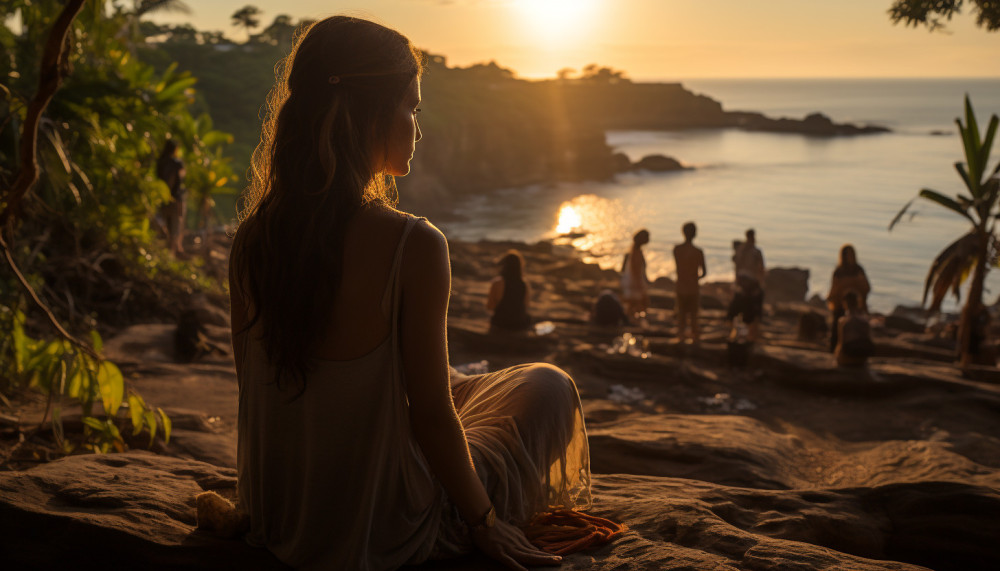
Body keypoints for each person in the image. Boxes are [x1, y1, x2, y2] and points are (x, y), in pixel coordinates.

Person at [228, 17, 591, 571]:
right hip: (380, 525)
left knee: (455, 381)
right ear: (371, 114)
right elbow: (430, 417)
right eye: (412, 108)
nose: (418, 129)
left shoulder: (253, 238)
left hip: (280, 514)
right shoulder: (413, 244)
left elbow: (253, 390)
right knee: (547, 383)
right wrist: (485, 523)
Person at [826, 244, 871, 352]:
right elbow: (834, 290)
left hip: (856, 305)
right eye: (848, 254)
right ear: (844, 256)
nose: (850, 257)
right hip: (840, 306)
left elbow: (866, 287)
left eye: (852, 254)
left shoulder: (859, 270)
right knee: (837, 332)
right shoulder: (839, 271)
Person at [673, 222, 707, 344]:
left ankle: (681, 338)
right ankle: (695, 339)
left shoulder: (677, 249)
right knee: (694, 315)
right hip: (693, 287)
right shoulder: (698, 252)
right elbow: (704, 273)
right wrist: (695, 277)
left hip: (681, 286)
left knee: (681, 314)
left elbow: (678, 267)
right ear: (695, 234)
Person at [731, 229, 765, 342]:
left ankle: (736, 333)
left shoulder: (740, 249)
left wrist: (736, 280)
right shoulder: (756, 251)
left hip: (741, 281)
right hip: (751, 283)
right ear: (753, 237)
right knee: (754, 310)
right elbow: (761, 269)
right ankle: (753, 335)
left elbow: (736, 265)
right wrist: (761, 283)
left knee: (738, 309)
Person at [487, 250, 532, 332]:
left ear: (504, 265)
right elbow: (527, 305)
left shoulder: (497, 282)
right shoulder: (524, 283)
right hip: (520, 324)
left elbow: (490, 306)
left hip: (501, 324)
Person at [156, 139, 187, 254]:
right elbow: (179, 177)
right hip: (175, 199)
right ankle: (171, 255)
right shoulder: (176, 163)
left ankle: (166, 255)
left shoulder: (160, 161)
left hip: (162, 199)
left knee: (166, 227)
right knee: (175, 228)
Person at [834, 291, 874, 368]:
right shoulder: (865, 320)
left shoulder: (843, 321)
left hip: (847, 360)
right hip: (862, 360)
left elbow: (840, 344)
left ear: (845, 303)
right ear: (858, 302)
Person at [621, 229, 650, 323]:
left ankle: (630, 323)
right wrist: (640, 286)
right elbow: (636, 271)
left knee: (632, 307)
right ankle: (632, 324)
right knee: (637, 306)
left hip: (632, 283)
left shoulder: (634, 251)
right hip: (634, 284)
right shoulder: (636, 252)